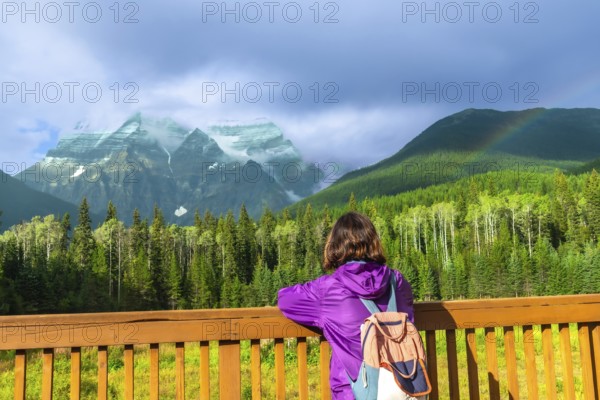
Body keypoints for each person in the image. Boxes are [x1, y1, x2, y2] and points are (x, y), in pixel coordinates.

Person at [277, 211, 415, 399]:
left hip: (354, 393)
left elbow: (285, 300)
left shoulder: (328, 289)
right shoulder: (397, 282)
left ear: (335, 247)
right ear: (373, 242)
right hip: (405, 388)